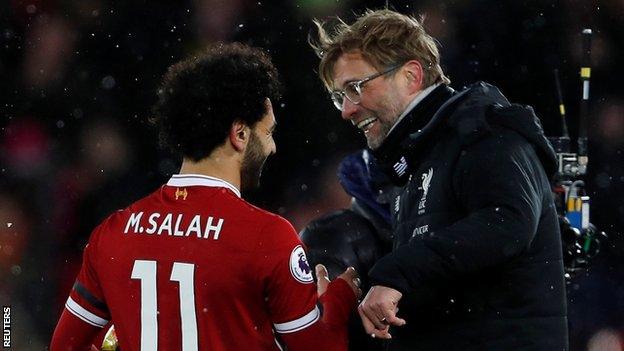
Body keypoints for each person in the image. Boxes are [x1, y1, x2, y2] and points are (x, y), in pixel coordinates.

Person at [50, 42, 361, 351]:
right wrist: (339, 297)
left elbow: (64, 346)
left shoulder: (114, 233)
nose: (272, 147)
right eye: (267, 133)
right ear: (239, 134)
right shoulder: (268, 237)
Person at [310, 9, 568, 350]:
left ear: (411, 76)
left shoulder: (483, 131)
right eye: (339, 96)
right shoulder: (414, 159)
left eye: (356, 88)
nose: (347, 109)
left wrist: (396, 272)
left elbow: (508, 222)